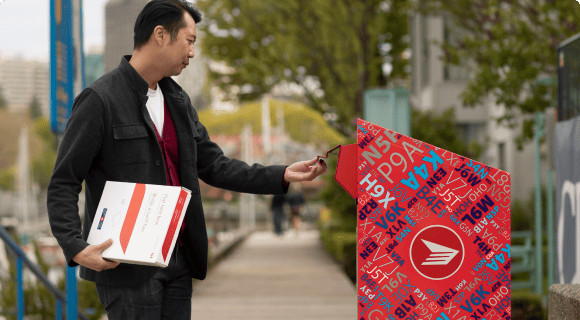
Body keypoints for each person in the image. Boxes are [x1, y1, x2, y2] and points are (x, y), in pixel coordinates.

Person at [46, 1, 326, 319]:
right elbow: (64, 182)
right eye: (189, 41)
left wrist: (283, 174)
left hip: (179, 259)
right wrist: (76, 246)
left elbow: (214, 165)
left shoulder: (178, 101)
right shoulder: (100, 100)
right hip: (127, 266)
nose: (192, 52)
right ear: (161, 35)